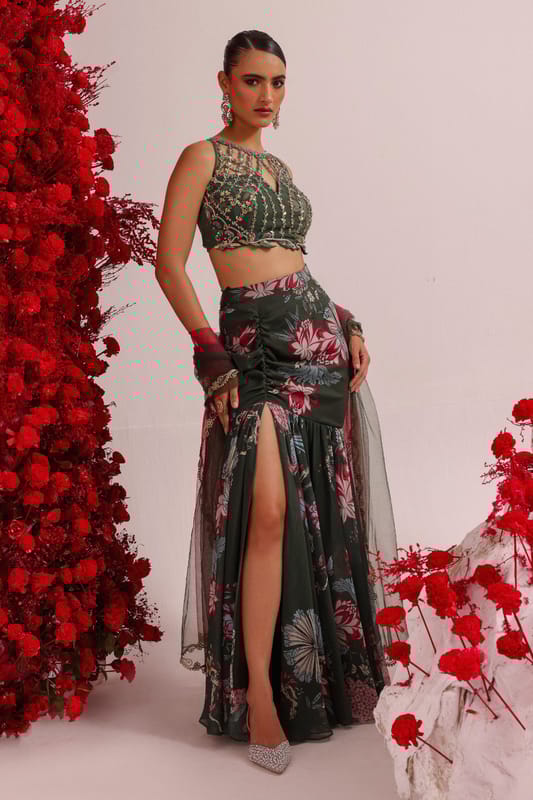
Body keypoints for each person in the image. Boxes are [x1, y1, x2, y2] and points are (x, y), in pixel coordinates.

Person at [155, 29, 406, 774]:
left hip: (319, 346)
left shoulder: (278, 167)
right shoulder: (201, 157)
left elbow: (298, 265)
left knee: (316, 512)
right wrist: (209, 351)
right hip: (256, 351)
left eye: (277, 82)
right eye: (252, 80)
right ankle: (260, 694)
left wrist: (347, 322)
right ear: (224, 83)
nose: (266, 95)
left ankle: (319, 680)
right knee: (266, 513)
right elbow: (169, 262)